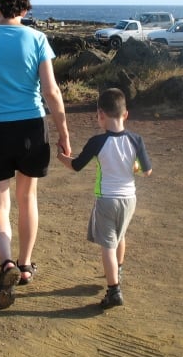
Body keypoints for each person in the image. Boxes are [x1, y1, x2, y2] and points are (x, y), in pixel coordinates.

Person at [0, 0, 70, 310]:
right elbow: (51, 91)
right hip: (31, 127)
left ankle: (6, 264)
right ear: (25, 11)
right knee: (27, 199)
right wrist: (63, 131)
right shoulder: (37, 39)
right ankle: (24, 266)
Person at [57, 88, 152, 309]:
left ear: (100, 114)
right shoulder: (136, 140)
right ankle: (118, 270)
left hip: (107, 199)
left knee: (107, 245)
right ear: (125, 114)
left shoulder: (97, 142)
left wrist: (61, 156)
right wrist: (136, 166)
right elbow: (147, 171)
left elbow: (76, 165)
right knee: (120, 236)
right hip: (129, 198)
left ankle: (114, 290)